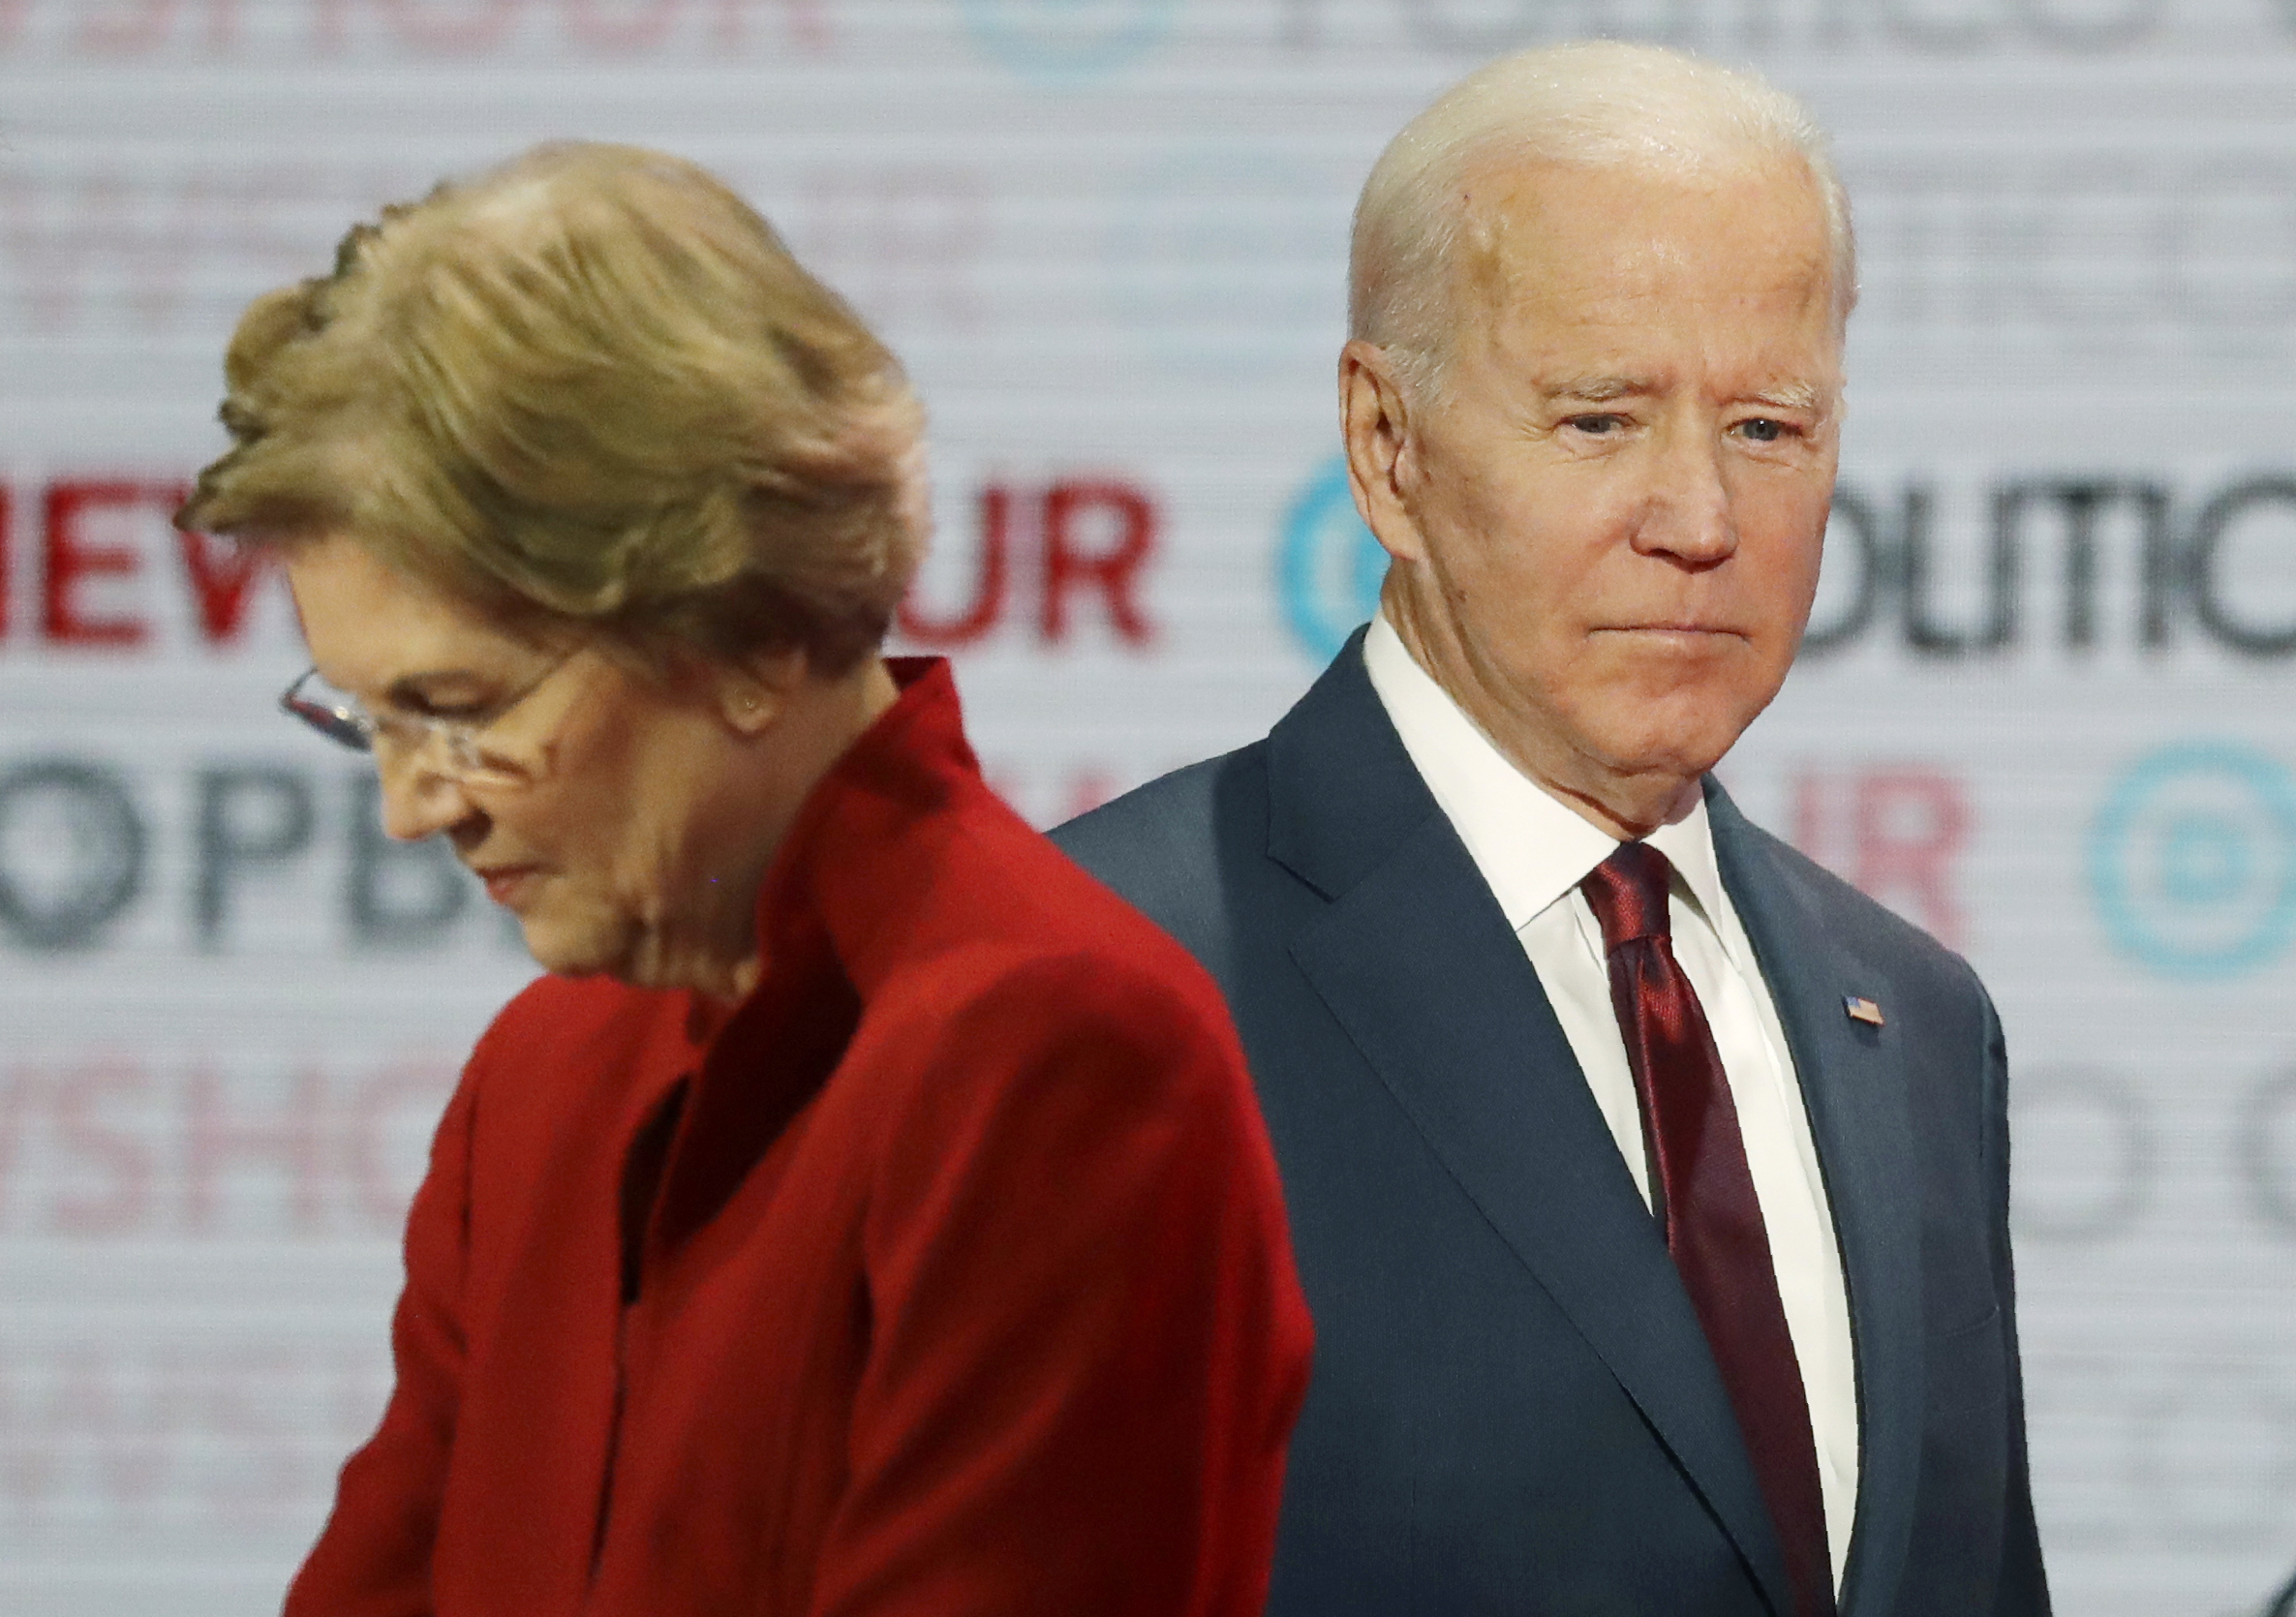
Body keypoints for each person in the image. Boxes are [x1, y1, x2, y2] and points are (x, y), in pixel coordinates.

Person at [178, 142, 1311, 1617]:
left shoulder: (1057, 1053)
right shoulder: (540, 1080)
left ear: (754, 632)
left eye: (461, 710)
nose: (408, 810)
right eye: (367, 719)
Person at [1056, 41, 2048, 1617]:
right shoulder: (1100, 981)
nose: (1700, 520)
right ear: (1389, 451)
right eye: (1600, 420)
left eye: (1769, 429)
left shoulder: (1916, 1023)